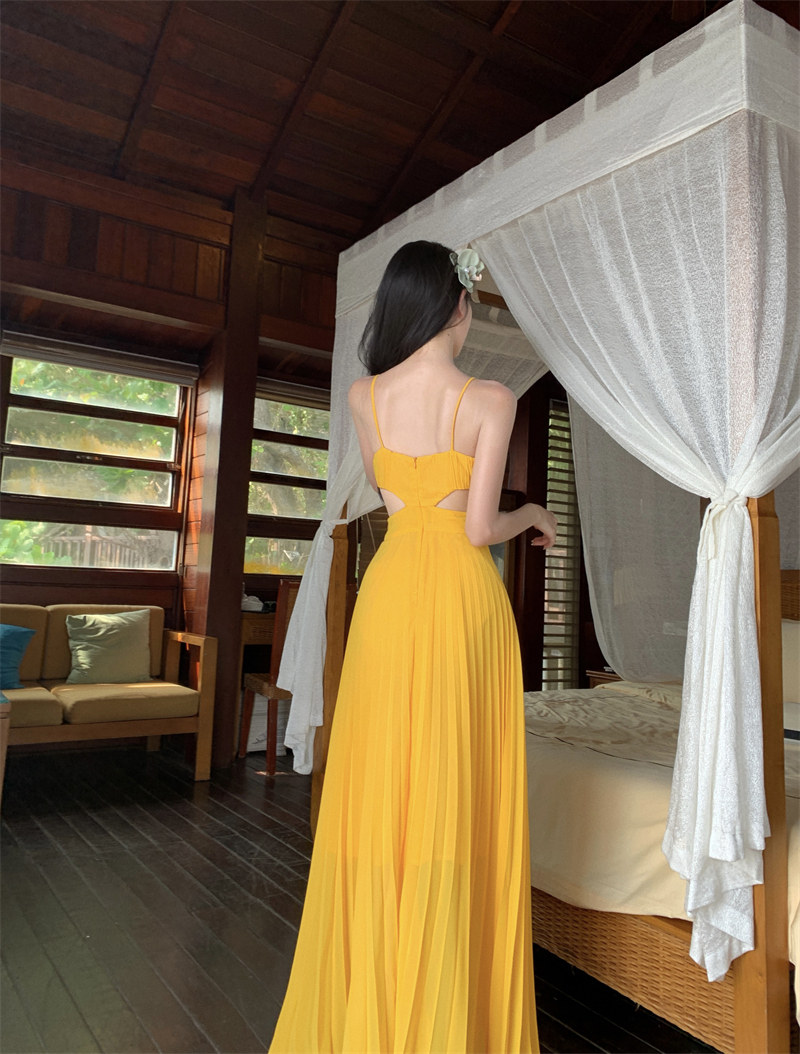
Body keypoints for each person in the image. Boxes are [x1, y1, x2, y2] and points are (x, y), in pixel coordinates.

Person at [269, 241, 556, 1054]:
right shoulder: (489, 399)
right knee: (454, 777)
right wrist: (533, 514)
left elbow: (391, 496)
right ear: (457, 305)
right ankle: (445, 1001)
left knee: (384, 777)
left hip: (392, 593)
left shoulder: (363, 396)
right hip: (462, 597)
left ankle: (376, 991)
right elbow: (477, 527)